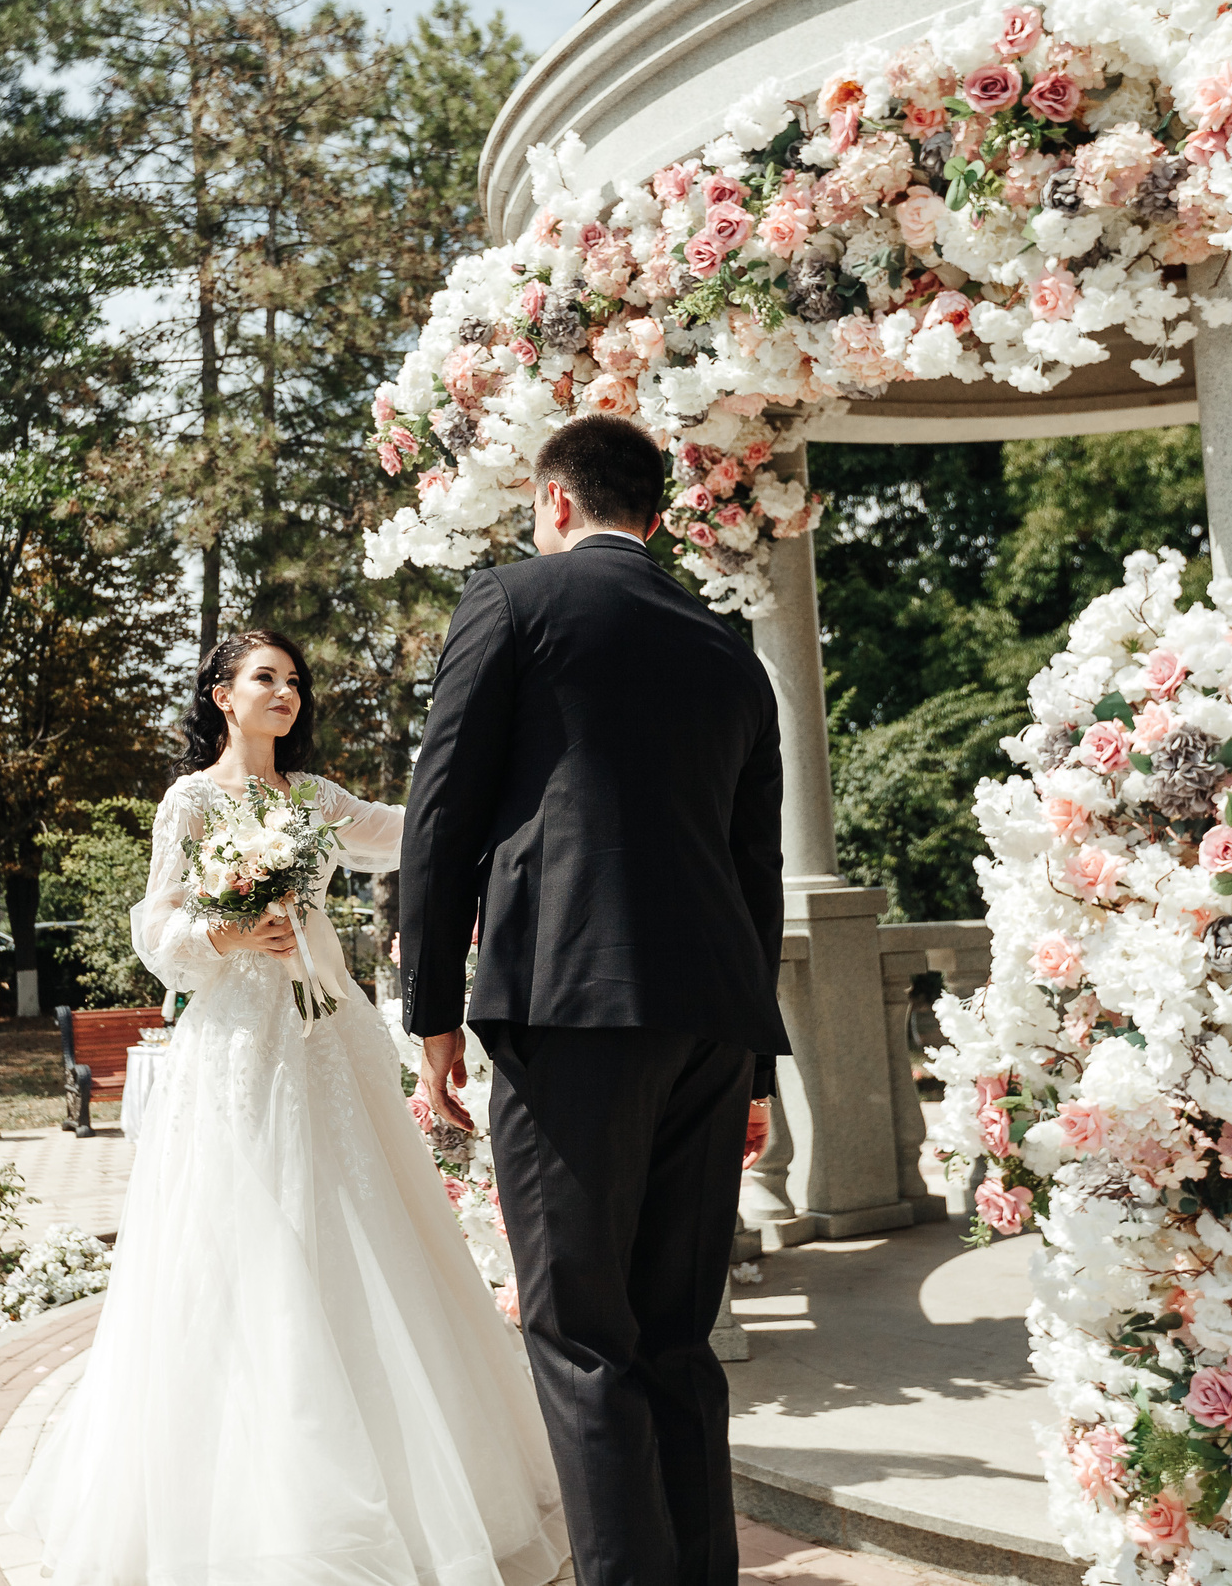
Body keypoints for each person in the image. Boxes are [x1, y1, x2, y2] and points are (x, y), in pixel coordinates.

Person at [8, 631, 568, 1586]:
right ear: (222, 695)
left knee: (363, 1228)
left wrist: (491, 757)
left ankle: (423, 1489)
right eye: (266, 678)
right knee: (244, 1239)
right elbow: (157, 926)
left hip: (328, 1036)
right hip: (236, 1044)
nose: (287, 693)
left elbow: (406, 824)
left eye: (296, 680)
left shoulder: (311, 801)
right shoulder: (190, 800)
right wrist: (225, 928)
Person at [401, 412, 788, 1586]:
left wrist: (429, 1019)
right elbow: (754, 868)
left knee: (579, 1338)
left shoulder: (511, 602)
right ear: (655, 515)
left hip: (569, 1011)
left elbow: (441, 817)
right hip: (712, 1028)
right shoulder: (730, 648)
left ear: (554, 503)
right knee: (675, 1336)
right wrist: (758, 1067)